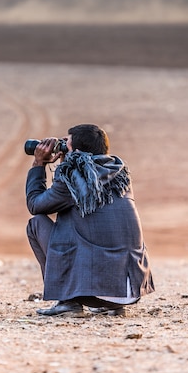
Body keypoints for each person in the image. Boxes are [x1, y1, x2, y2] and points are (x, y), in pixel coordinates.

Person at [26, 124, 154, 316]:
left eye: (65, 143)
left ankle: (67, 301)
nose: (61, 147)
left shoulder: (74, 174)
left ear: (75, 151)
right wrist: (67, 160)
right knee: (87, 223)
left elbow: (36, 205)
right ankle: (111, 305)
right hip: (128, 290)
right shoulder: (119, 172)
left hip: (96, 292)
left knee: (36, 223)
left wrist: (39, 164)